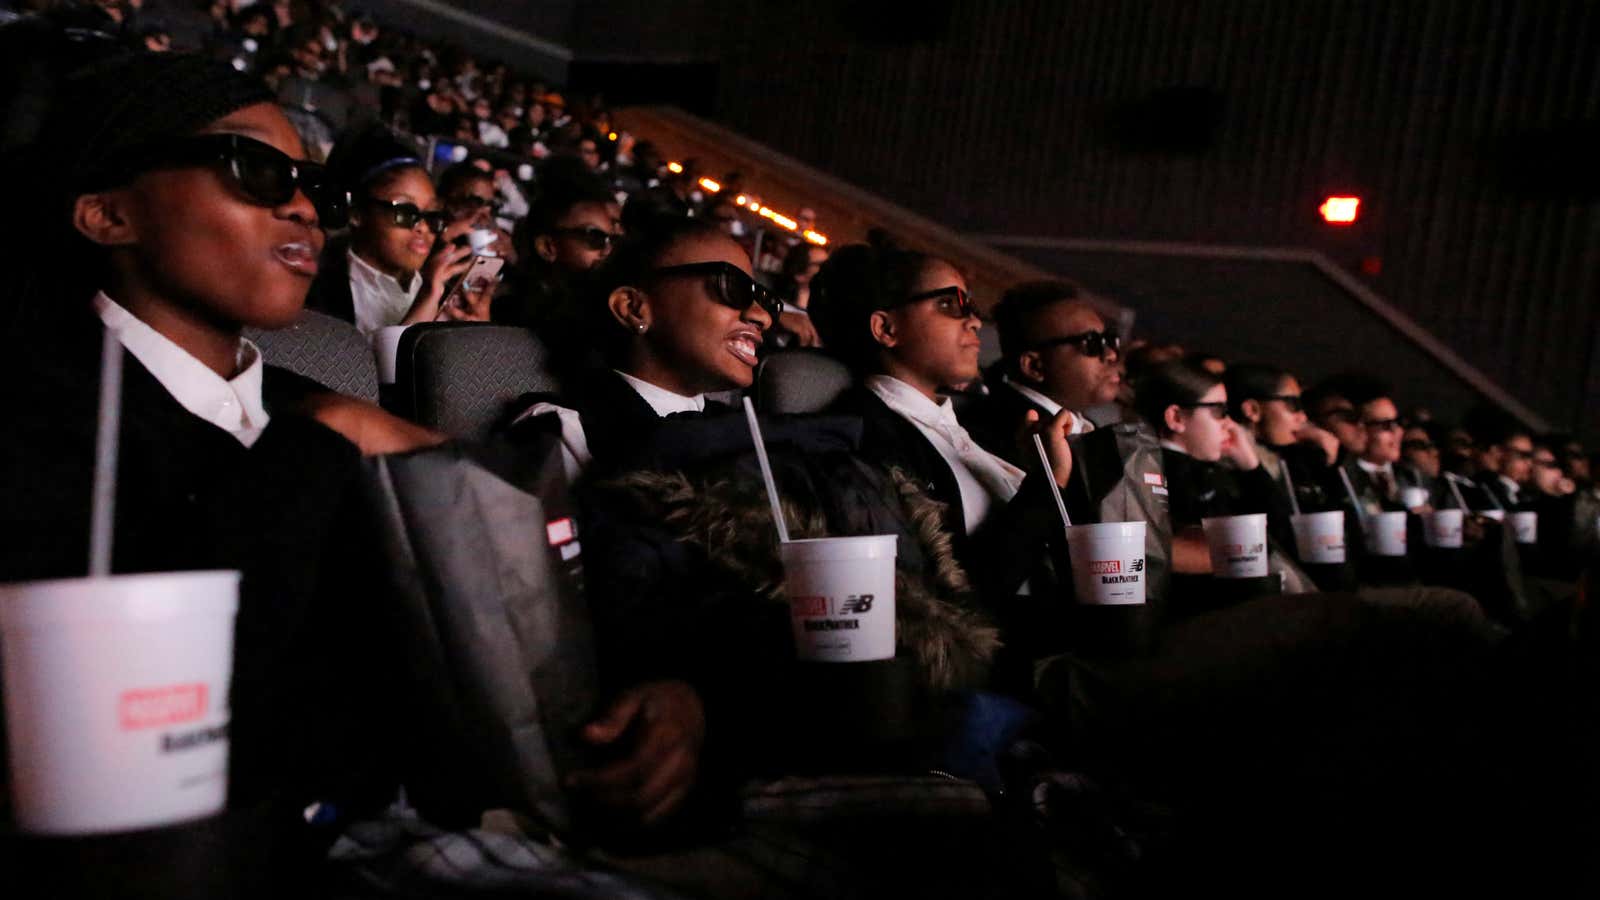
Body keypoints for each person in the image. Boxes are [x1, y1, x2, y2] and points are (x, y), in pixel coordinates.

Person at [1, 50, 438, 897]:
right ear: (106, 214)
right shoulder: (32, 422)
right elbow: (162, 720)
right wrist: (320, 446)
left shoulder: (314, 405)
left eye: (317, 188)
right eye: (257, 169)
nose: (307, 207)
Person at [808, 240, 1075, 605]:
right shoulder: (864, 440)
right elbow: (955, 599)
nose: (975, 321)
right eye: (950, 304)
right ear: (886, 328)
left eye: (972, 305)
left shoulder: (965, 428)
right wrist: (1047, 484)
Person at [304, 126, 492, 332]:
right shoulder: (318, 289)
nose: (423, 227)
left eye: (432, 215)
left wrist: (475, 334)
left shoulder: (443, 290)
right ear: (357, 212)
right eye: (406, 211)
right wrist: (426, 302)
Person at [1132, 360, 1287, 572]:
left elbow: (1277, 531)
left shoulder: (1205, 469)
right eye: (1219, 411)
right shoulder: (1159, 474)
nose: (1229, 424)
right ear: (1176, 418)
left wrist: (1250, 464)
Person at [964, 279, 1119, 466]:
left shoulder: (1090, 427)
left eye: (1110, 340)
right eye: (1091, 343)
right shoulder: (994, 432)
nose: (1111, 355)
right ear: (1034, 366)